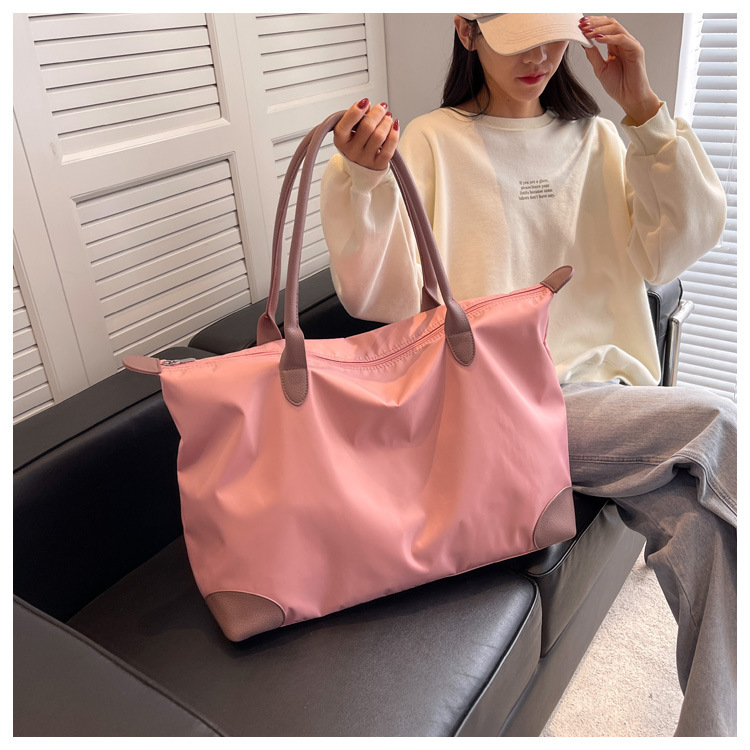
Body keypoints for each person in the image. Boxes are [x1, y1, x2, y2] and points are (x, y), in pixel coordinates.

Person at [319, 13, 736, 737]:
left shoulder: (601, 139)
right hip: (495, 406)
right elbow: (379, 299)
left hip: (602, 404)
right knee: (720, 424)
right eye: (517, 36)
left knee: (707, 524)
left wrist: (643, 111)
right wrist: (362, 181)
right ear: (468, 32)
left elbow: (680, 244)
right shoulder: (429, 143)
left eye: (552, 32)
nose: (539, 55)